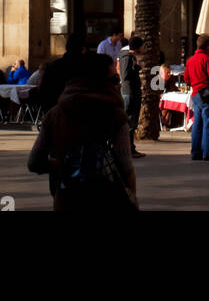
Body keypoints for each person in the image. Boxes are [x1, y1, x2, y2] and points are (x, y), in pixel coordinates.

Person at [27, 53, 137, 212]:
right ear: (99, 81)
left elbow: (34, 161)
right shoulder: (114, 114)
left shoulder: (54, 114)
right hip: (106, 198)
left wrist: (63, 165)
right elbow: (125, 164)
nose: (119, 84)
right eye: (114, 79)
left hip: (66, 198)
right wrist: (132, 196)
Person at [184, 34, 209, 161]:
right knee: (208, 123)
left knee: (197, 123)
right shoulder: (206, 58)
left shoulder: (190, 60)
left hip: (195, 93)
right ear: (208, 46)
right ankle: (208, 152)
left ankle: (195, 152)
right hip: (206, 93)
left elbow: (186, 79)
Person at [35, 33, 87, 111]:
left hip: (57, 111)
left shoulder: (53, 66)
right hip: (81, 113)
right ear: (83, 49)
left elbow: (44, 93)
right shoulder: (87, 67)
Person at [118, 35, 145, 158]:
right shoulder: (127, 57)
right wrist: (138, 68)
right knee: (129, 121)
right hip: (129, 92)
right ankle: (128, 148)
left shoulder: (130, 57)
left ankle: (130, 147)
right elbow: (125, 74)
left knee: (132, 121)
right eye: (142, 46)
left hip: (132, 92)